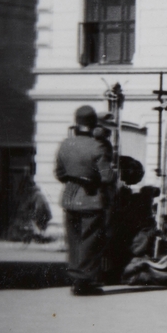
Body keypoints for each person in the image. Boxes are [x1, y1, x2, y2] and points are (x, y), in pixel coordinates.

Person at [54, 105, 118, 296]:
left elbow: (59, 173)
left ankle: (75, 279)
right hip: (91, 199)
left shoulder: (66, 144)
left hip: (70, 198)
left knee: (74, 240)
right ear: (93, 123)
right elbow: (107, 177)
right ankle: (86, 281)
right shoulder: (97, 146)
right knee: (90, 241)